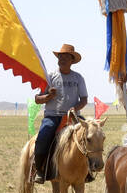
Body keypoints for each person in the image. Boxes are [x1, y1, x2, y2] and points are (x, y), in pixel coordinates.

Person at [32, 45, 89, 183]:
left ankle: (89, 169)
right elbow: (37, 99)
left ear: (72, 60)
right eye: (60, 56)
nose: (62, 59)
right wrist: (47, 97)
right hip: (53, 115)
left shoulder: (78, 78)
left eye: (65, 57)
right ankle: (39, 169)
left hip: (72, 117)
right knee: (43, 137)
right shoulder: (50, 77)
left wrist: (75, 109)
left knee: (90, 135)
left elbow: (84, 100)